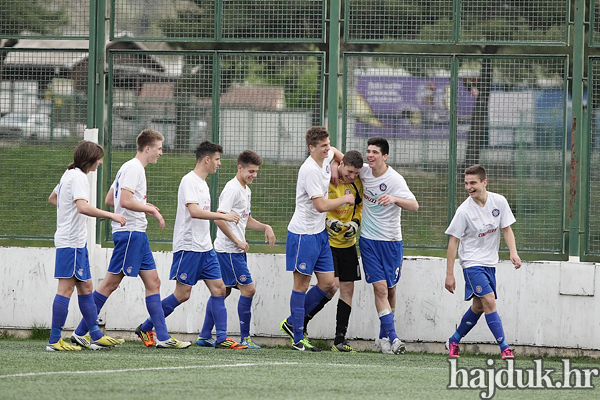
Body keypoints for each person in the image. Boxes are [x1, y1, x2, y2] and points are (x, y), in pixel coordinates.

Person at [71, 129, 190, 349]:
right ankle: (80, 332)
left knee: (154, 282)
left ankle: (162, 337)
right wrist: (150, 210)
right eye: (159, 148)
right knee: (110, 283)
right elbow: (124, 201)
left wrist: (142, 207)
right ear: (148, 148)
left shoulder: (128, 167)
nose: (161, 153)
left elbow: (110, 199)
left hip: (137, 234)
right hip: (131, 234)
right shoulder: (135, 168)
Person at [135, 141, 247, 350]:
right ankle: (146, 327)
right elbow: (194, 212)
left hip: (205, 248)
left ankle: (222, 338)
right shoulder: (189, 181)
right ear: (207, 159)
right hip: (189, 247)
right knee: (182, 294)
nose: (219, 164)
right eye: (217, 159)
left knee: (220, 289)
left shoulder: (203, 183)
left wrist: (222, 216)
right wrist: (223, 216)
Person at [279, 126, 355, 351]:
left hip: (319, 234)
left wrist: (337, 165)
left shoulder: (326, 156)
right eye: (323, 146)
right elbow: (320, 205)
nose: (327, 149)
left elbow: (338, 153)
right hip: (303, 235)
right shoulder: (310, 170)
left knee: (329, 284)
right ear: (311, 148)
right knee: (300, 286)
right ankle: (297, 338)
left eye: (328, 144)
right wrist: (345, 199)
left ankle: (293, 323)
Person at [47, 140, 126, 351]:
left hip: (75, 242)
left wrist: (68, 209)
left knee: (86, 287)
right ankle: (54, 340)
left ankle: (96, 335)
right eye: (98, 158)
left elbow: (54, 198)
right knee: (65, 289)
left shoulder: (69, 174)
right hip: (71, 242)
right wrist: (111, 215)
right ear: (89, 159)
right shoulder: (79, 177)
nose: (100, 162)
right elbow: (82, 207)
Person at [197, 150, 276, 349]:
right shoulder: (232, 188)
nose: (254, 175)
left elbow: (245, 219)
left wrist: (266, 226)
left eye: (256, 172)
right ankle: (245, 338)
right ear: (239, 167)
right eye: (251, 171)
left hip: (233, 251)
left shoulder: (245, 189)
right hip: (229, 251)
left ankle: (205, 335)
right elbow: (219, 218)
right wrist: (237, 241)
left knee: (221, 292)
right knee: (248, 290)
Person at [444, 164, 521, 360]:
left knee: (479, 306)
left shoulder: (499, 202)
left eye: (473, 183)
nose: (469, 187)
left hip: (490, 263)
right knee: (489, 300)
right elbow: (453, 242)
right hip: (471, 262)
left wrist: (513, 252)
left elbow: (507, 229)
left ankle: (453, 341)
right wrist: (450, 273)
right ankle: (504, 347)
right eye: (466, 183)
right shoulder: (464, 211)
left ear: (484, 182)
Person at [295, 150, 364, 353]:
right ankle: (299, 323)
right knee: (330, 286)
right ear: (341, 164)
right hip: (328, 242)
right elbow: (317, 204)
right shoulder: (328, 177)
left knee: (347, 288)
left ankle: (339, 340)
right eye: (350, 171)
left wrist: (355, 222)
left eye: (355, 173)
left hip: (348, 242)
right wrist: (328, 222)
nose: (352, 177)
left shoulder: (357, 182)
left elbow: (359, 206)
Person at [358, 136, 419, 355]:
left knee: (391, 289)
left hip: (392, 242)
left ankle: (384, 336)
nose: (370, 155)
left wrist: (393, 199)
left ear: (385, 156)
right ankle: (394, 338)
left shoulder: (395, 180)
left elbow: (414, 205)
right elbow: (337, 156)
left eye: (375, 152)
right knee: (380, 288)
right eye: (368, 151)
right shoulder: (363, 171)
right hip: (368, 241)